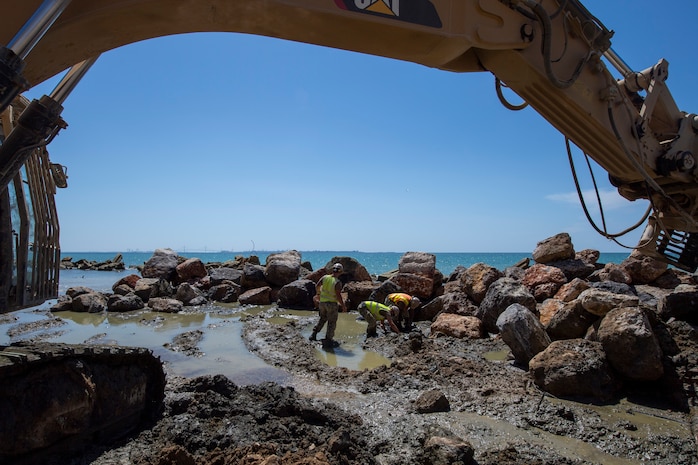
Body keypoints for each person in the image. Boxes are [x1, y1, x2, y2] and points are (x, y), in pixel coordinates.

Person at [310, 262, 347, 348]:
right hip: (331, 304)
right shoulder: (337, 282)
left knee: (322, 319)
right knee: (332, 322)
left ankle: (314, 334)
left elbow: (317, 286)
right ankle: (328, 339)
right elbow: (338, 295)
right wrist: (343, 306)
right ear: (341, 272)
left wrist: (318, 295)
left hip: (322, 303)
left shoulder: (325, 277)